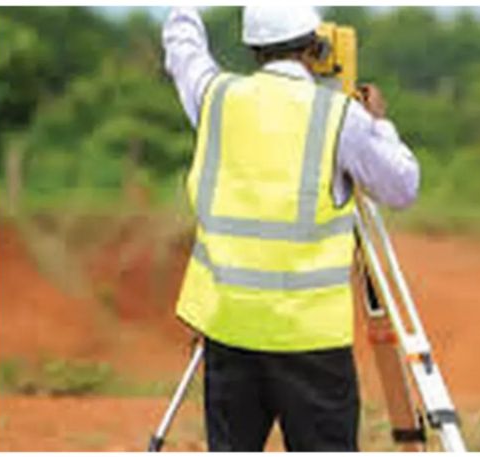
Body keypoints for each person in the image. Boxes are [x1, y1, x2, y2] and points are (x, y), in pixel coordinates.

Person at [161, 6, 420, 451]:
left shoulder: (216, 97)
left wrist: (183, 11)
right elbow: (402, 187)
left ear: (253, 48)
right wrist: (380, 123)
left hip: (229, 327)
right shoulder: (340, 116)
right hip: (310, 340)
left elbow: (183, 52)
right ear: (315, 46)